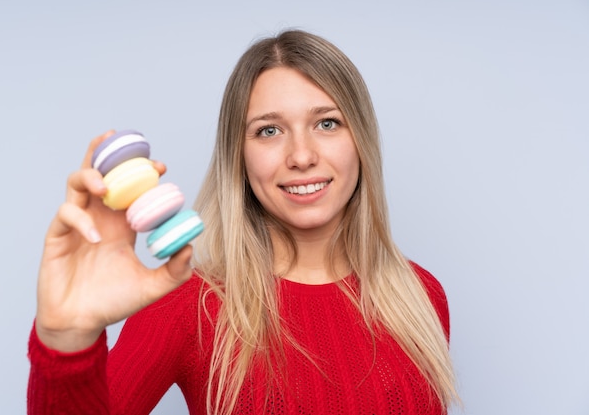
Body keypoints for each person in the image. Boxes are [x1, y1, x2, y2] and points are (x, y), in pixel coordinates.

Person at [28, 29, 459, 415]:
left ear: (360, 140)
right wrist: (66, 341)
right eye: (269, 131)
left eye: (327, 123)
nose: (302, 155)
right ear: (239, 155)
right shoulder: (190, 307)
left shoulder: (420, 297)